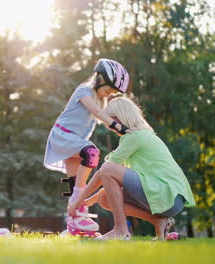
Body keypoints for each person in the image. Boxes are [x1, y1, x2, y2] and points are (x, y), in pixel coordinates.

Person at [68, 97, 196, 240]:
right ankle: (158, 221)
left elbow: (105, 170)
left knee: (108, 169)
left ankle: (120, 230)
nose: (109, 126)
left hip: (167, 195)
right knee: (104, 197)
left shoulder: (135, 137)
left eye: (110, 122)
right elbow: (107, 176)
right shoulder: (141, 135)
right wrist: (91, 199)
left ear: (120, 118)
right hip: (170, 198)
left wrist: (79, 200)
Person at [44, 58, 130, 235]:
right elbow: (98, 114)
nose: (109, 94)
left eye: (112, 93)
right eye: (108, 89)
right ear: (99, 79)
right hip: (63, 135)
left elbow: (106, 118)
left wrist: (126, 129)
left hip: (74, 141)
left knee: (77, 183)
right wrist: (120, 128)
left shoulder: (100, 101)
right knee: (91, 153)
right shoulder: (83, 91)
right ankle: (77, 202)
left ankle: (75, 222)